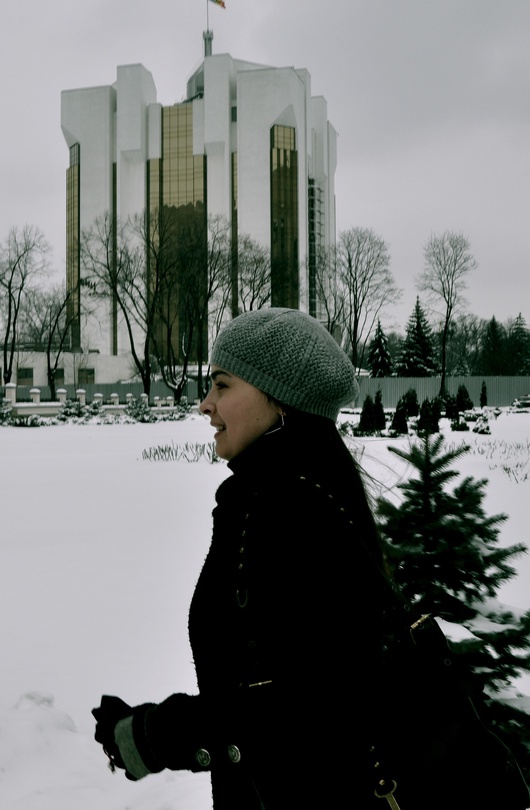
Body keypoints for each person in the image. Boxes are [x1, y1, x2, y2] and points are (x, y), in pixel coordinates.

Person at [92, 307, 386, 809]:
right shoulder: (294, 494)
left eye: (222, 386)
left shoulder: (287, 511)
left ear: (280, 400)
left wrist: (147, 734)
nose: (205, 405)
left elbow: (293, 711)